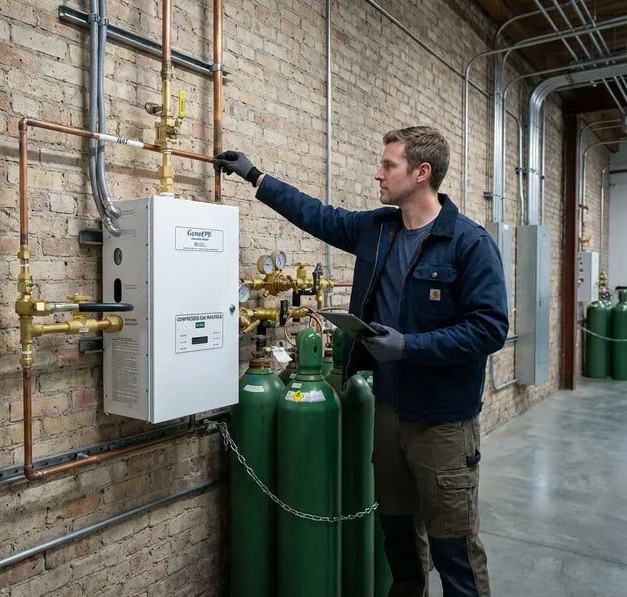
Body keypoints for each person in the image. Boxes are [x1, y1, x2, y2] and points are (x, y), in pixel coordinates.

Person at [214, 126, 508, 597]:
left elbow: (490, 327)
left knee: (454, 546)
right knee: (397, 536)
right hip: (388, 409)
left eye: (388, 165)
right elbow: (317, 216)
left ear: (421, 172)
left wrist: (411, 346)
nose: (378, 173)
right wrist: (256, 177)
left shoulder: (468, 244)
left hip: (443, 422)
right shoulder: (377, 231)